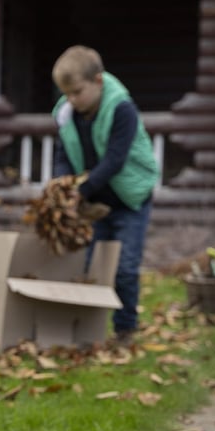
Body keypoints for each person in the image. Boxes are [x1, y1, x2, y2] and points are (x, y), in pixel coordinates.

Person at [50, 45, 159, 344]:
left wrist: (82, 189)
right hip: (95, 200)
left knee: (124, 267)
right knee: (92, 264)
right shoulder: (66, 113)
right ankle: (91, 329)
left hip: (129, 199)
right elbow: (63, 154)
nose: (71, 99)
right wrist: (64, 184)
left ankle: (125, 328)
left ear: (98, 81)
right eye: (66, 93)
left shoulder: (121, 109)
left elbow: (114, 160)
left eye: (77, 92)